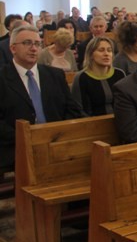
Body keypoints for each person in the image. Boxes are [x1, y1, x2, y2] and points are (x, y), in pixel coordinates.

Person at [0, 25, 84, 169]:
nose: (33, 48)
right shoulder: (2, 78)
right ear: (13, 48)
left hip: (56, 145)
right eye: (27, 43)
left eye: (37, 44)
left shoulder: (55, 75)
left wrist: (61, 136)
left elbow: (72, 110)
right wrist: (28, 140)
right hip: (15, 148)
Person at [71, 36, 126, 116]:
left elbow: (126, 103)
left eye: (109, 50)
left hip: (120, 121)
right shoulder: (81, 77)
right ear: (91, 54)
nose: (106, 54)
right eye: (101, 50)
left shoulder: (119, 74)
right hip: (92, 124)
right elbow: (79, 109)